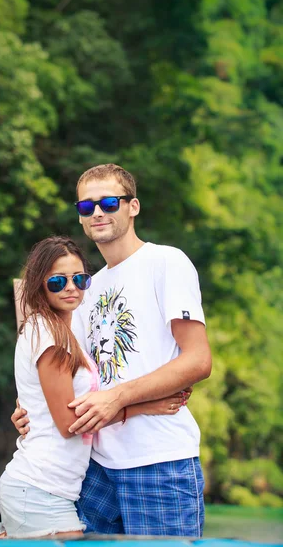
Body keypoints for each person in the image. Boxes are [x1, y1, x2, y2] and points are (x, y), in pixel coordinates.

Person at [12, 164, 212, 536]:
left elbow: (198, 360)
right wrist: (31, 410)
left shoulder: (165, 262)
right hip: (93, 466)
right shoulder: (84, 289)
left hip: (159, 461)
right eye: (86, 207)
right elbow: (69, 373)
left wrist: (117, 397)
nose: (98, 213)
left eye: (108, 202)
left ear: (132, 206)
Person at [0, 235, 188, 539]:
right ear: (39, 284)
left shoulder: (56, 328)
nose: (71, 288)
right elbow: (70, 424)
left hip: (48, 488)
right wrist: (144, 406)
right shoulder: (51, 336)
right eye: (57, 281)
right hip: (39, 489)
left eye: (80, 279)